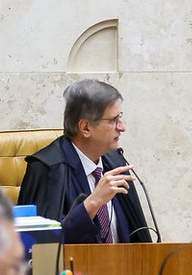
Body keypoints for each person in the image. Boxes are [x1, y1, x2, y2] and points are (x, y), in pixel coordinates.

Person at [18, 79, 152, 244]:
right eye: (113, 120)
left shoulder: (116, 162)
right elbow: (40, 248)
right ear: (86, 128)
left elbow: (138, 238)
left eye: (120, 118)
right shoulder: (47, 169)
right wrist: (92, 203)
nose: (122, 127)